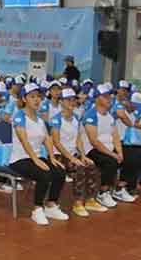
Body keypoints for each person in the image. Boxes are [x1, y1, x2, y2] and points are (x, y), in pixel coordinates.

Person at [9, 83, 69, 226]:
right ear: (24, 99)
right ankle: (37, 209)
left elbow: (47, 139)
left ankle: (51, 205)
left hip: (36, 157)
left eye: (38, 97)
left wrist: (52, 158)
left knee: (60, 171)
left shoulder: (40, 119)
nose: (37, 100)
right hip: (20, 159)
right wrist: (36, 160)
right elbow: (24, 140)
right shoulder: (19, 117)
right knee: (44, 174)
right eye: (32, 97)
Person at [50, 88, 106, 217]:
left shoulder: (76, 118)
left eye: (73, 100)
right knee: (79, 168)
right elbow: (56, 143)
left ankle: (90, 200)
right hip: (59, 155)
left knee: (91, 165)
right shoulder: (56, 120)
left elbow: (78, 139)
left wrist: (83, 155)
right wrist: (72, 158)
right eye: (68, 100)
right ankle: (78, 203)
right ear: (61, 102)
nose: (72, 102)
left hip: (73, 154)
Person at [83, 83, 132, 206]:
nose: (109, 99)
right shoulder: (91, 115)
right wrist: (113, 154)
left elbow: (115, 136)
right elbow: (94, 141)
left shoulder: (109, 116)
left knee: (130, 157)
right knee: (111, 162)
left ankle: (119, 189)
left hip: (108, 148)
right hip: (92, 150)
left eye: (109, 96)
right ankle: (102, 192)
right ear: (97, 99)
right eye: (105, 96)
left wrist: (120, 152)